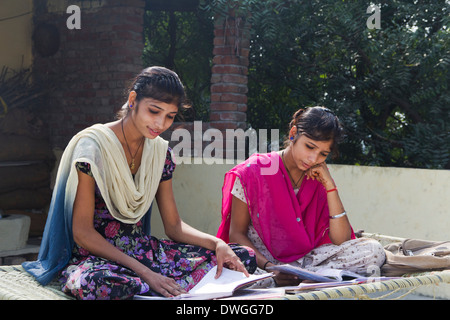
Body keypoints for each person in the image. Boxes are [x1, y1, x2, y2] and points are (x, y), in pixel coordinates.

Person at [23, 67, 256, 299]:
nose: (160, 123)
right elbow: (82, 232)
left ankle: (146, 287)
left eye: (170, 116)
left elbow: (174, 226)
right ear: (133, 100)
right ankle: (148, 284)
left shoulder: (160, 154)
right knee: (99, 285)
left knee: (240, 257)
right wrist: (145, 273)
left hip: (143, 251)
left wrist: (217, 243)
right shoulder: (93, 148)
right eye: (154, 111)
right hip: (95, 258)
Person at [217, 106, 385, 286]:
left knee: (374, 251)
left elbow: (341, 240)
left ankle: (298, 277)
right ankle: (291, 279)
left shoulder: (318, 176)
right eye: (309, 146)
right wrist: (270, 267)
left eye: (323, 154)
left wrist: (330, 186)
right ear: (293, 133)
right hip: (262, 261)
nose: (313, 159)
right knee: (241, 274)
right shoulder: (253, 171)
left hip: (305, 260)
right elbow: (236, 234)